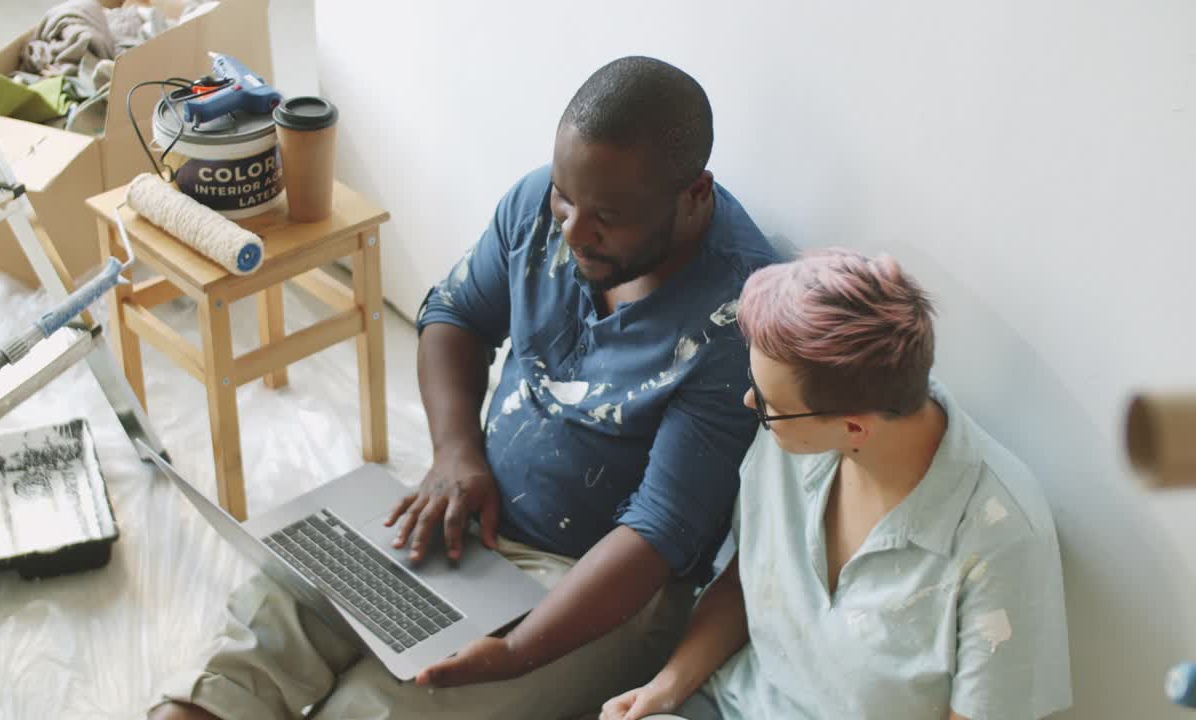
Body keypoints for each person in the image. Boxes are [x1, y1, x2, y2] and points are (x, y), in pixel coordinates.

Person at [150, 56, 782, 720]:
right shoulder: (543, 204)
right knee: (282, 606)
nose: (569, 231)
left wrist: (517, 653)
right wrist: (455, 454)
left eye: (605, 216)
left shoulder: (738, 320)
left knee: (382, 707)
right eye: (563, 197)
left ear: (694, 195)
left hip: (595, 584)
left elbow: (657, 536)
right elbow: (454, 316)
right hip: (470, 513)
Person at [601, 250, 1072, 720]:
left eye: (767, 403)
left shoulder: (1001, 538)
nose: (750, 403)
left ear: (852, 429)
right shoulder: (792, 440)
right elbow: (745, 584)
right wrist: (662, 691)